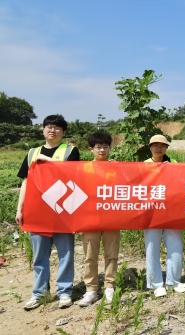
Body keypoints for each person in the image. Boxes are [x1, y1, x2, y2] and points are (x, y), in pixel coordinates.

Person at [15, 115, 80, 310]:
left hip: (62, 211)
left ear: (64, 132)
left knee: (65, 253)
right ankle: (39, 293)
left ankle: (65, 292)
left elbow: (73, 175)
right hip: (37, 212)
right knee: (39, 255)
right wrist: (20, 208)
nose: (52, 130)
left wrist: (46, 160)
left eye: (57, 127)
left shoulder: (70, 151)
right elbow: (25, 181)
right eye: (49, 127)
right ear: (43, 129)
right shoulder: (32, 152)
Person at [144, 135, 185, 297]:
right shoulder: (143, 165)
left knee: (175, 247)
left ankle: (173, 281)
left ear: (166, 148)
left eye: (162, 145)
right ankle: (155, 284)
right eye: (155, 145)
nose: (158, 148)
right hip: (151, 213)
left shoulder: (174, 164)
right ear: (150, 147)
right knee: (152, 249)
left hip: (171, 212)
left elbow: (182, 183)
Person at [79, 132, 121, 306]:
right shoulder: (84, 168)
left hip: (112, 216)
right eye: (98, 147)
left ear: (110, 148)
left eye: (105, 146)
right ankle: (91, 289)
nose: (102, 150)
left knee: (112, 255)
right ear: (91, 149)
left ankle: (110, 286)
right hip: (90, 218)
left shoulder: (117, 167)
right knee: (90, 255)